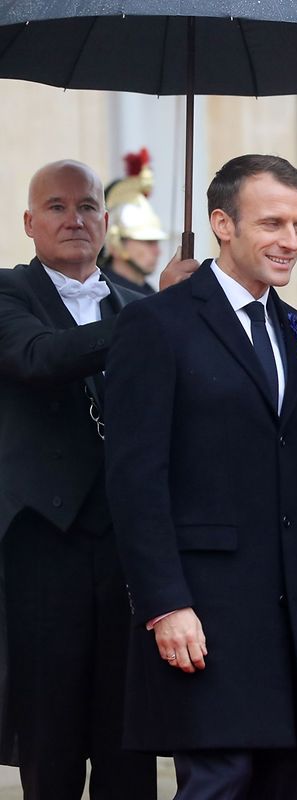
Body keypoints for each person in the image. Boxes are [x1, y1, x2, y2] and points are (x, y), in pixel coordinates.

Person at [105, 154, 297, 799]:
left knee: (279, 786)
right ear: (221, 224)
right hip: (201, 613)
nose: (290, 241)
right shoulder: (155, 323)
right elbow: (135, 478)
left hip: (286, 614)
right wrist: (165, 604)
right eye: (272, 223)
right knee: (217, 782)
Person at [0, 159, 158, 798]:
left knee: (130, 738)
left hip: (125, 547)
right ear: (30, 222)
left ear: (106, 221)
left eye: (87, 206)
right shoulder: (8, 292)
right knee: (52, 737)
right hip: (44, 543)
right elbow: (39, 358)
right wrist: (156, 316)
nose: (74, 219)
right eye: (58, 207)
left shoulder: (138, 304)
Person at [101, 148, 166, 296]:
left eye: (156, 242)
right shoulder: (104, 293)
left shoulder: (149, 292)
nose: (157, 251)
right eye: (147, 241)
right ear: (116, 241)